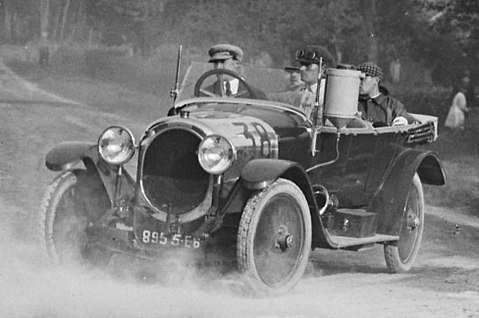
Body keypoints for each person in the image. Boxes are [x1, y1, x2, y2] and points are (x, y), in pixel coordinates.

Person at [268, 45, 329, 118]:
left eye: (307, 65)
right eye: (301, 64)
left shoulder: (328, 95)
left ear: (323, 69)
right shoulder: (299, 90)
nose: (301, 68)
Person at [357, 62, 416, 127]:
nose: (358, 82)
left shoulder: (392, 105)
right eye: (357, 79)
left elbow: (414, 124)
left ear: (376, 80)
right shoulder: (352, 103)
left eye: (362, 79)